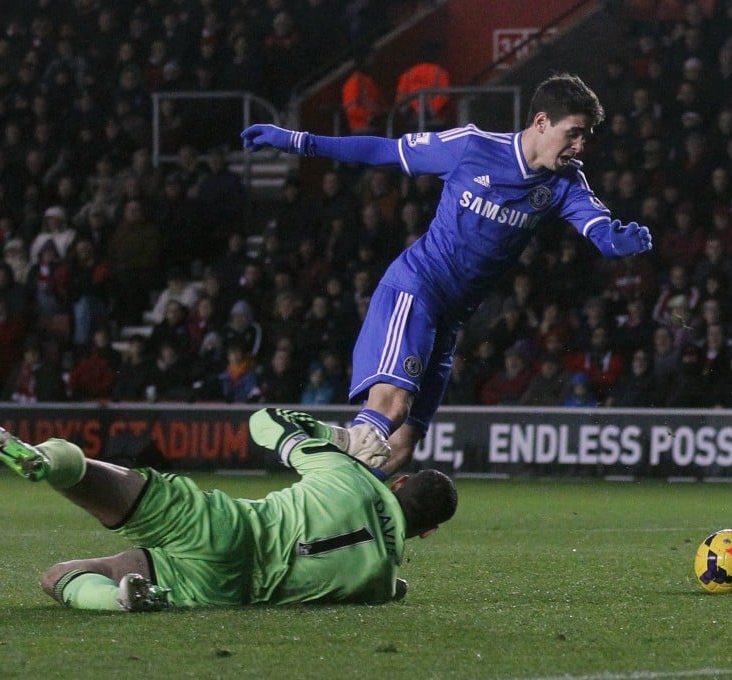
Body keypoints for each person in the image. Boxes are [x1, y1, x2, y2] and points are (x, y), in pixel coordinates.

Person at [241, 73, 653, 475]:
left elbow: (597, 227)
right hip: (416, 288)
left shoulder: (565, 182)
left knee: (400, 447)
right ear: (542, 122)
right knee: (389, 411)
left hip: (450, 319)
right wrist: (299, 141)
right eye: (574, 133)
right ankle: (298, 450)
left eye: (586, 138)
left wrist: (614, 242)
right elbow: (384, 151)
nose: (581, 147)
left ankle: (336, 519)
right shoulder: (471, 146)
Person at [0, 408, 457, 611]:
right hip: (224, 590)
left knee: (94, 475)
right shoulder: (379, 583)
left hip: (224, 529)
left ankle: (46, 460)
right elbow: (394, 590)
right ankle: (123, 601)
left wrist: (341, 438)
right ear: (428, 532)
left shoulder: (347, 473)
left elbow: (267, 422)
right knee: (61, 575)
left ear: (401, 478)